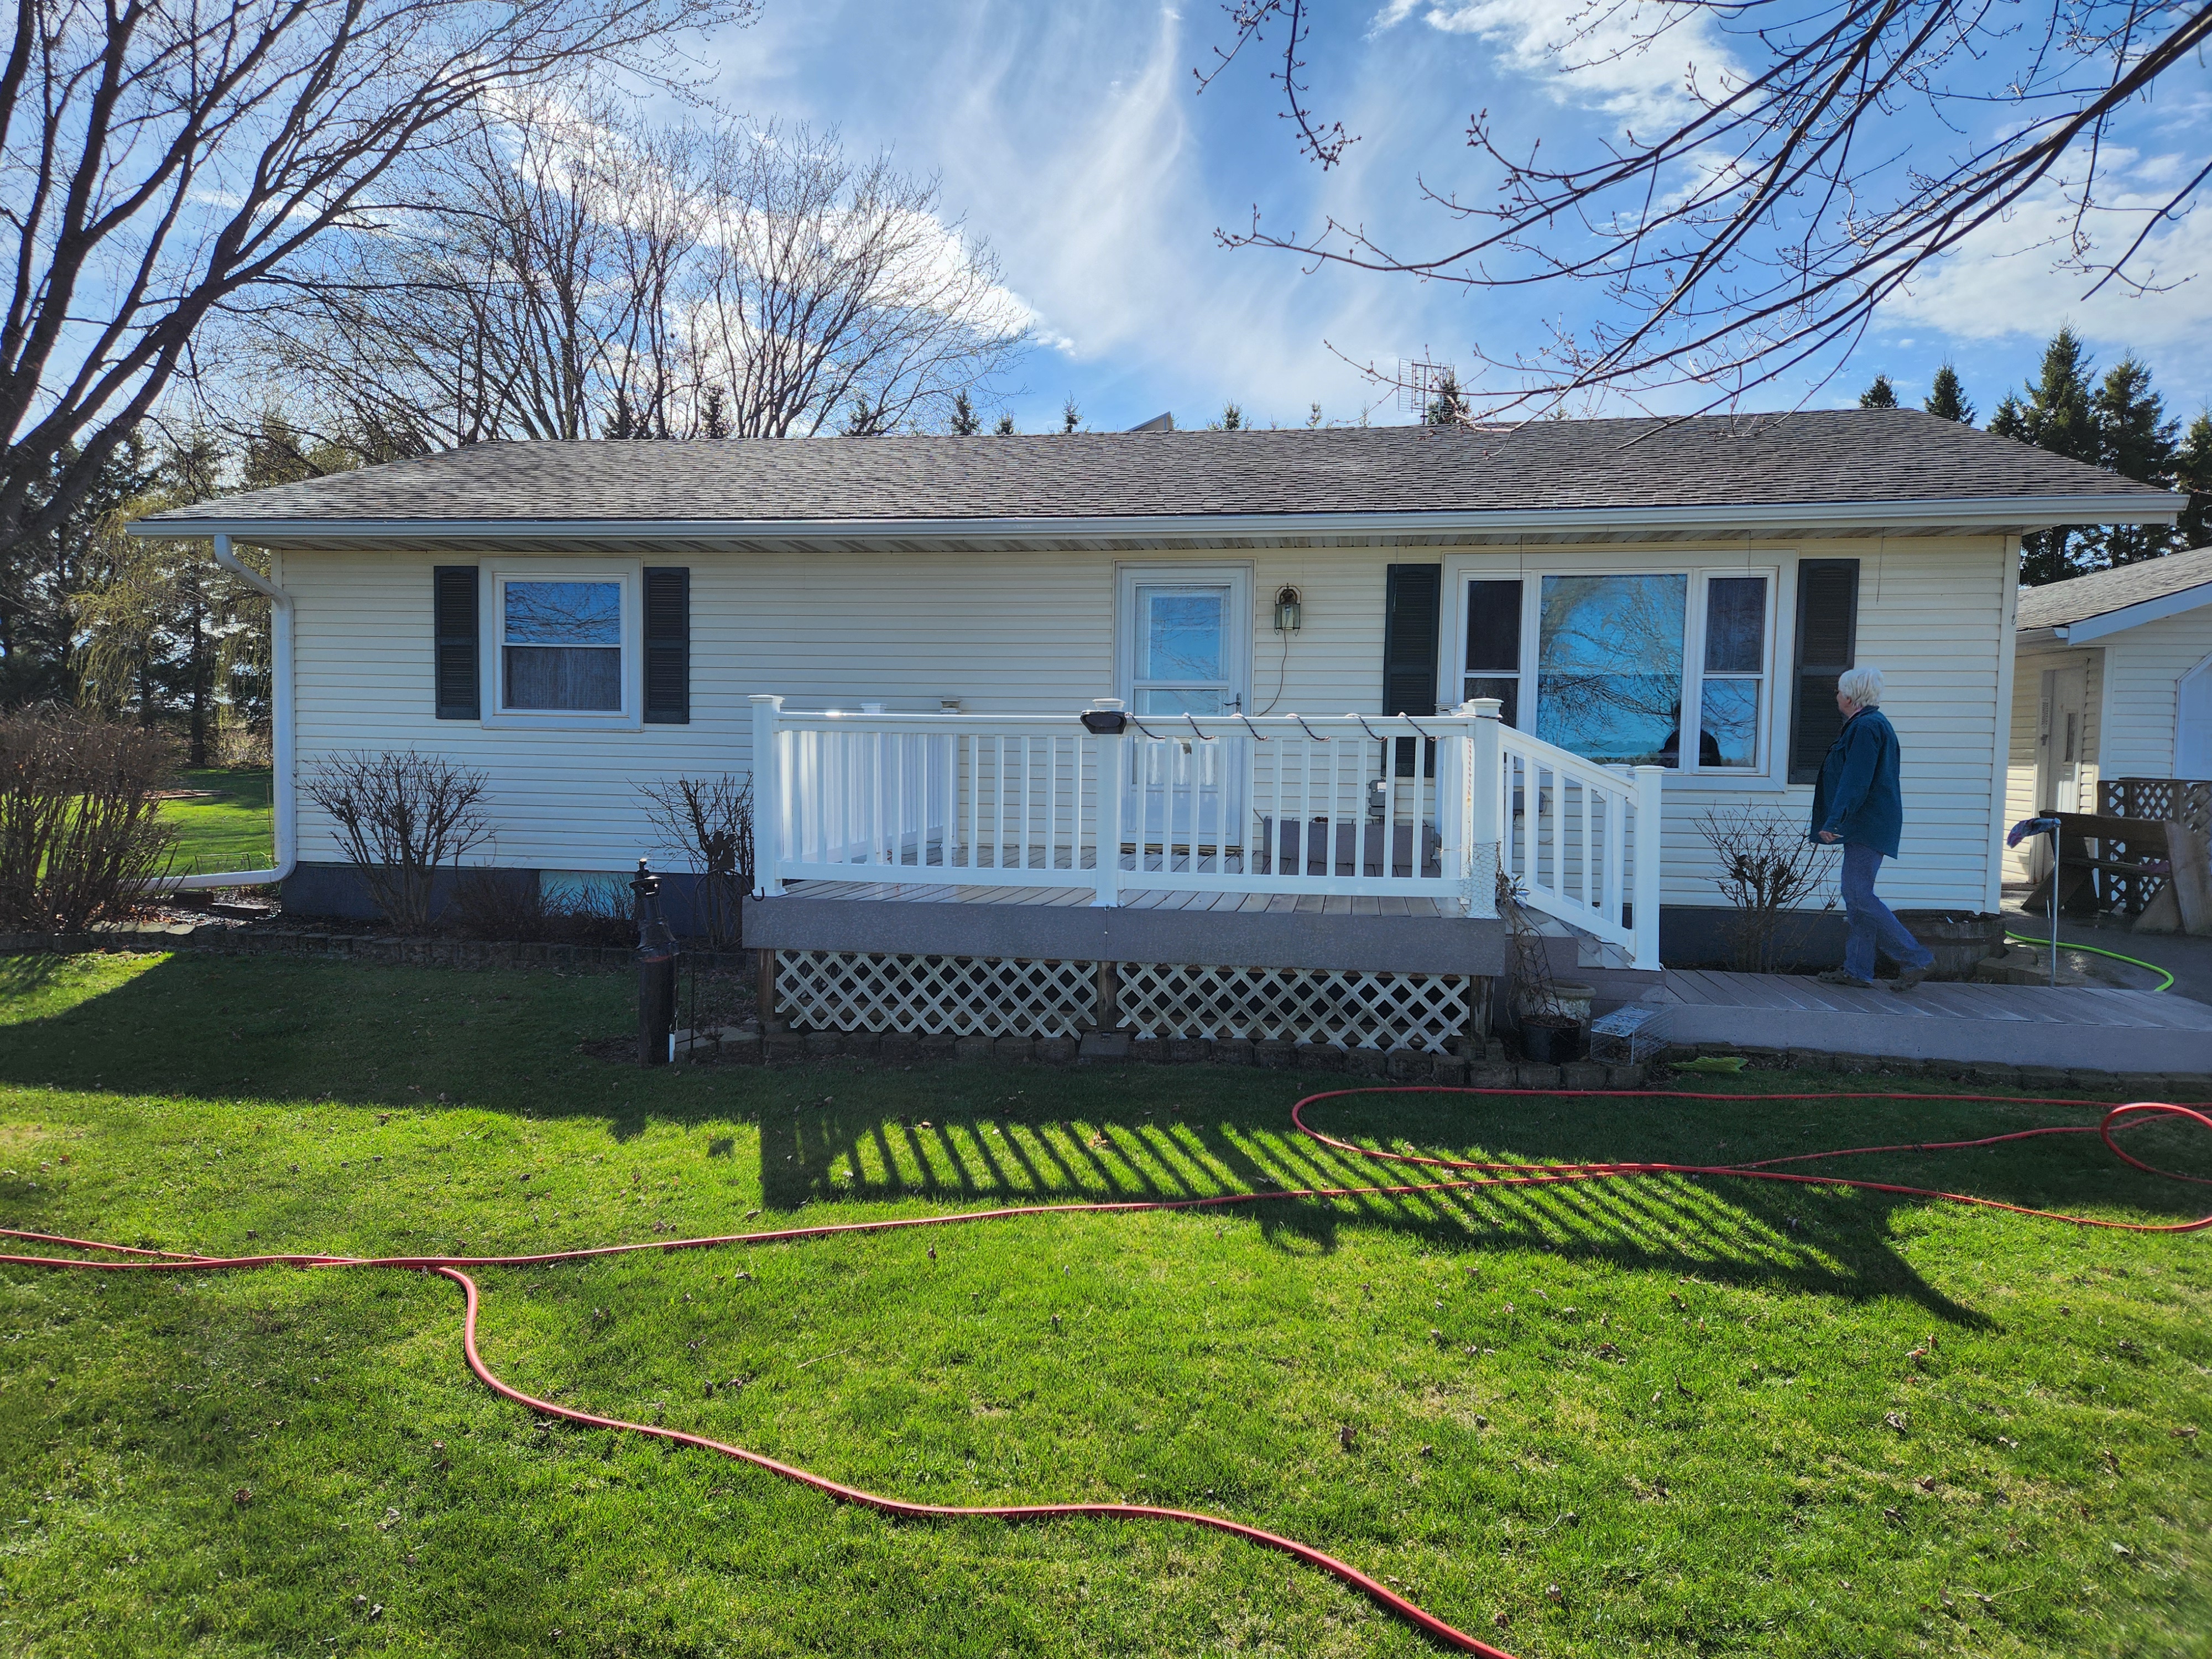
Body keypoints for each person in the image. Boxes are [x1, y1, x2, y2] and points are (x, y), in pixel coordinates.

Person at [1808, 666, 1934, 992]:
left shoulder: (1865, 728)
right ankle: (1858, 969)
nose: (1836, 696)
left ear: (1849, 697)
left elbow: (1856, 781)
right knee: (1857, 897)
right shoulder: (1869, 725)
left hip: (1867, 823)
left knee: (1858, 893)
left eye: (1839, 691)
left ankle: (1915, 957)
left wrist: (1836, 821)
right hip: (1867, 821)